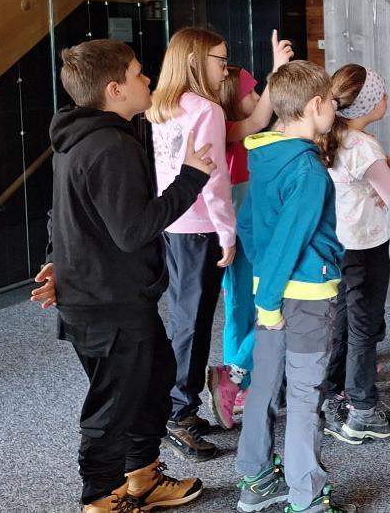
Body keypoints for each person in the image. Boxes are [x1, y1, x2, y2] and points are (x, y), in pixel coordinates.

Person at [37, 39, 213, 512]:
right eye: (138, 73)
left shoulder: (86, 138)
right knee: (113, 405)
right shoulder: (110, 145)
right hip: (107, 304)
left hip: (111, 294)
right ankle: (101, 498)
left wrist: (58, 260)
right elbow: (134, 231)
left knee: (152, 383)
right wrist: (191, 177)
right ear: (115, 89)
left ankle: (142, 477)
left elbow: (64, 214)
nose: (148, 79)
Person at [233, 61, 350, 513]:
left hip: (270, 287)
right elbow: (289, 239)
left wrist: (264, 286)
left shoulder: (264, 156)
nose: (335, 110)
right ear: (315, 105)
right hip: (304, 298)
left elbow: (248, 224)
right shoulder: (309, 171)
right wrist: (269, 299)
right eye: (332, 103)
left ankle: (257, 479)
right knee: (305, 396)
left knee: (264, 384)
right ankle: (307, 498)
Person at [147, 28, 239, 460]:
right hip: (200, 226)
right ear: (195, 62)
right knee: (192, 323)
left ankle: (182, 404)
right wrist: (227, 232)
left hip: (173, 222)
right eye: (221, 60)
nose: (226, 70)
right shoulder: (207, 110)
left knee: (187, 320)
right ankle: (177, 413)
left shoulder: (162, 106)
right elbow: (213, 180)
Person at [207, 31, 295, 431]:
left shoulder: (228, 129)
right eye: (251, 92)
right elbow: (260, 118)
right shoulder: (232, 130)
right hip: (243, 222)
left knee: (239, 307)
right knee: (266, 302)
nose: (258, 97)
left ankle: (236, 380)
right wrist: (277, 72)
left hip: (233, 222)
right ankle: (237, 375)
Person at [318, 64, 390, 444]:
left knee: (345, 321)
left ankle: (332, 391)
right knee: (365, 326)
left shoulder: (332, 136)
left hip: (339, 244)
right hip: (367, 247)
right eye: (380, 93)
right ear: (367, 105)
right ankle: (363, 408)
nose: (386, 98)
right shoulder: (365, 147)